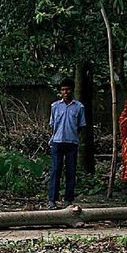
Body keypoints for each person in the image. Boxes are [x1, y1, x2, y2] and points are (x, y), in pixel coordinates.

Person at [47, 77, 86, 208]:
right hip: (57, 142)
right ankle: (52, 200)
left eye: (67, 89)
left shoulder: (79, 107)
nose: (65, 92)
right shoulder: (55, 106)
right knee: (55, 170)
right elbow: (52, 125)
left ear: (72, 90)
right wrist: (54, 137)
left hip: (72, 143)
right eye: (63, 90)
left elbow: (80, 126)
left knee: (71, 171)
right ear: (60, 91)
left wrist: (73, 136)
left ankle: (68, 200)